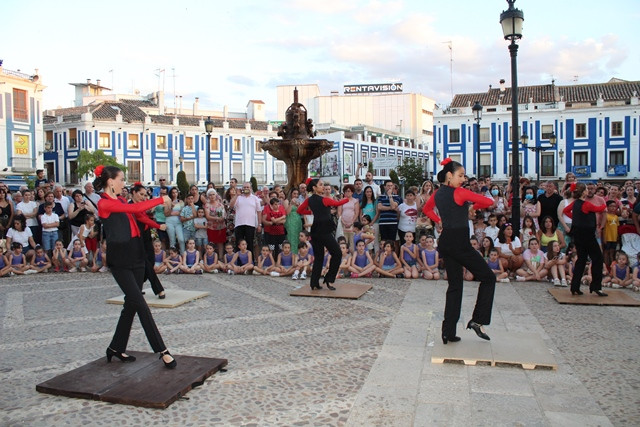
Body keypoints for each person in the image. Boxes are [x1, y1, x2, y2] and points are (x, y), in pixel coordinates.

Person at [94, 165, 176, 369]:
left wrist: (158, 226)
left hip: (137, 255)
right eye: (121, 179)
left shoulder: (120, 199)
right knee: (140, 304)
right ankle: (162, 350)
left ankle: (115, 347)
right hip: (120, 260)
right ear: (111, 182)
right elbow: (134, 208)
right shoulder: (104, 203)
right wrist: (160, 199)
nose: (124, 183)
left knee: (131, 305)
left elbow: (138, 216)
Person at [423, 158, 495, 344]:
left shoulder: (438, 193)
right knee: (489, 277)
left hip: (446, 242)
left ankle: (448, 332)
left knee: (455, 286)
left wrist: (438, 221)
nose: (463, 179)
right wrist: (473, 207)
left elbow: (426, 209)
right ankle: (477, 320)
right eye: (460, 175)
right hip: (459, 243)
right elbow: (488, 201)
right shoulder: (460, 193)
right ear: (449, 175)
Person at [297, 178, 349, 290]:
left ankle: (314, 283)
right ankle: (329, 279)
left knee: (319, 257)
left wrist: (311, 212)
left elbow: (299, 210)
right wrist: (347, 198)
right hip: (324, 231)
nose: (322, 186)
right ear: (315, 188)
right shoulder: (324, 200)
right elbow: (337, 203)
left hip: (315, 232)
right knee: (337, 253)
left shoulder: (309, 200)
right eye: (320, 185)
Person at [563, 182, 608, 296]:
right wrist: (604, 201)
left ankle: (575, 287)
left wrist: (577, 218)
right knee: (597, 258)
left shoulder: (575, 203)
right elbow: (600, 208)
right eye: (586, 189)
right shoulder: (586, 204)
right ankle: (596, 287)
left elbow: (566, 211)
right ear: (583, 192)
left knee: (581, 260)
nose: (588, 191)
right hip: (588, 235)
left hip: (578, 235)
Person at [230, 182, 262, 253]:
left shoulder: (255, 198)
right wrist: (236, 195)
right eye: (244, 187)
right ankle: (239, 261)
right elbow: (231, 205)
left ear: (250, 188)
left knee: (250, 244)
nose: (246, 189)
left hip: (250, 224)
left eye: (248, 187)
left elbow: (259, 212)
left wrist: (259, 224)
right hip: (239, 224)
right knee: (239, 244)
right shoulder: (238, 197)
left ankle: (250, 261)